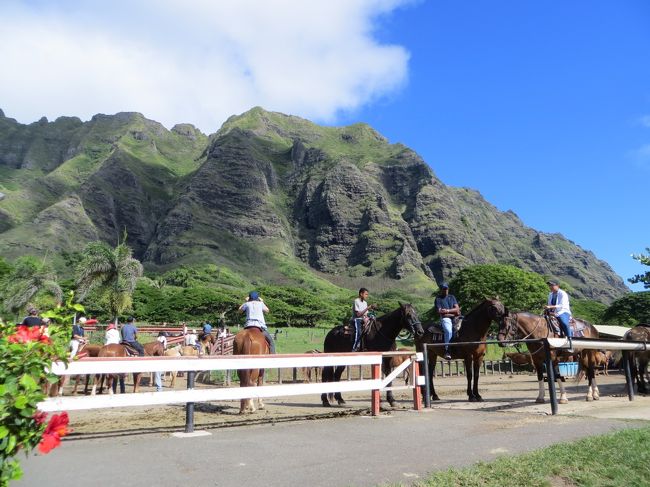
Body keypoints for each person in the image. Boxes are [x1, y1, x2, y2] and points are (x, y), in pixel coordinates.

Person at [435, 283, 460, 360]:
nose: (445, 290)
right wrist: (453, 312)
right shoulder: (438, 299)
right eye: (444, 289)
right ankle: (447, 350)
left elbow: (457, 309)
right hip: (446, 319)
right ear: (441, 290)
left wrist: (447, 311)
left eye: (446, 289)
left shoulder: (452, 297)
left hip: (456, 317)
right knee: (448, 331)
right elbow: (440, 311)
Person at [352, 288, 376, 352]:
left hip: (364, 319)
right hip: (357, 319)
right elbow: (358, 314)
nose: (366, 296)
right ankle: (355, 347)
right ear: (361, 294)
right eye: (366, 294)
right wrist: (368, 307)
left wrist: (371, 315)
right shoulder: (356, 301)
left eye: (367, 295)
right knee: (359, 332)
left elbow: (366, 313)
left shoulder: (365, 303)